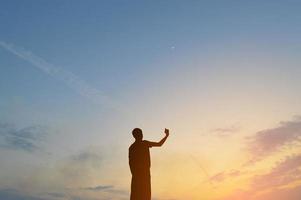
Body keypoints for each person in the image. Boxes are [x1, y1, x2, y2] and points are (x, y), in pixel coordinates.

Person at [129, 128, 169, 200]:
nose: (141, 135)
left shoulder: (140, 145)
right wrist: (135, 174)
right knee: (140, 194)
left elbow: (159, 144)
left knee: (144, 194)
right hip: (140, 175)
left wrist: (166, 136)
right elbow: (131, 163)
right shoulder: (137, 146)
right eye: (140, 134)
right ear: (135, 135)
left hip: (142, 174)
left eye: (141, 134)